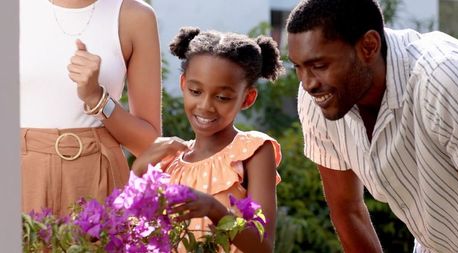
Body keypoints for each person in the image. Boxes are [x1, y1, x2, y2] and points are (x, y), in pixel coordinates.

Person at [286, 0, 458, 252]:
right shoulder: (319, 98)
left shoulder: (442, 80)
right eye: (298, 68)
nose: (308, 83)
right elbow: (347, 211)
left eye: (320, 65)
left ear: (368, 46)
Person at [132, 27, 284, 253]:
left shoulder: (253, 151)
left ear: (247, 98)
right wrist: (138, 169)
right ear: (184, 84)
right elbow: (135, 231)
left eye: (222, 97)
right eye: (195, 91)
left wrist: (213, 209)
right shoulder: (169, 160)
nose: (205, 106)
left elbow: (263, 246)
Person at [20, 0, 161, 216]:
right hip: (21, 177)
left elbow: (148, 144)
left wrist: (97, 98)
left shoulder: (134, 16)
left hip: (97, 181)